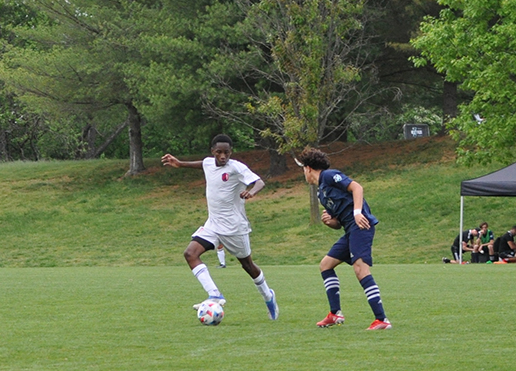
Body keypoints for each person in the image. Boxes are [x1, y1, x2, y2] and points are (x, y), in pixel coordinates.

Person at [161, 134, 278, 320]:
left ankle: (268, 296)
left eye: (226, 152)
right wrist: (180, 163)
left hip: (234, 227)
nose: (223, 156)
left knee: (247, 265)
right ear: (213, 152)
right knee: (190, 254)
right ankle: (214, 294)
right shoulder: (209, 162)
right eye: (219, 152)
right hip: (213, 225)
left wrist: (252, 192)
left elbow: (259, 181)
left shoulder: (236, 167)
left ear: (231, 152)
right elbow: (202, 164)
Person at [298, 147, 391, 330]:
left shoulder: (329, 175)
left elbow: (357, 187)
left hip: (360, 226)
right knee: (326, 265)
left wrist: (357, 212)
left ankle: (382, 319)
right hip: (349, 230)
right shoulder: (321, 192)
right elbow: (338, 223)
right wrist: (329, 221)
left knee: (360, 268)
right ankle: (335, 314)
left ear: (308, 168)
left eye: (303, 169)